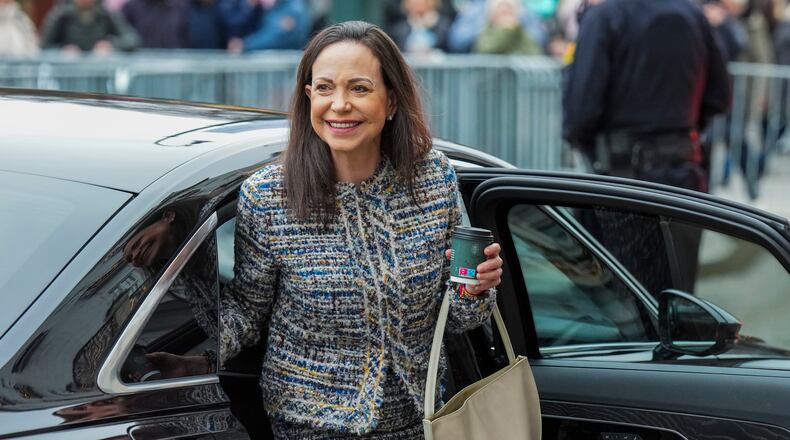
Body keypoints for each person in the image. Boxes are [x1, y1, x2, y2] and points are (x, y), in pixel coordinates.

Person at [148, 20, 505, 438]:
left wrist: (476, 288)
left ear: (390, 101)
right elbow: (244, 318)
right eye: (324, 88)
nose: (339, 105)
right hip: (309, 426)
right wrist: (173, 265)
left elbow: (460, 318)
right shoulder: (269, 196)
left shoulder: (432, 180)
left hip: (421, 419)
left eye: (359, 88)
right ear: (307, 97)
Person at [563, 0, 730, 192]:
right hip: (683, 176)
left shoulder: (604, 17)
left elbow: (580, 112)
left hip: (620, 183)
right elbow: (720, 96)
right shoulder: (694, 14)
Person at [40, 0, 139, 53]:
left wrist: (111, 46)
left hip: (100, 78)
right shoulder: (60, 15)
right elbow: (44, 46)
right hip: (67, 79)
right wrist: (62, 51)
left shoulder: (106, 14)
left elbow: (132, 40)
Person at [473, 0, 543, 54]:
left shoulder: (521, 32)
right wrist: (505, 30)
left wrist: (514, 29)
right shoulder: (486, 31)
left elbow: (534, 52)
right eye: (502, 12)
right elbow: (484, 50)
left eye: (508, 12)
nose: (505, 17)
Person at [388, 0, 453, 54]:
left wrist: (430, 25)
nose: (417, 6)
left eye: (421, 3)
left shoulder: (443, 24)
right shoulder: (400, 28)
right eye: (414, 3)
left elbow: (446, 45)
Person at [121, 0, 190, 48]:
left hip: (173, 63)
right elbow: (122, 38)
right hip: (140, 63)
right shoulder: (131, 7)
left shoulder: (181, 7)